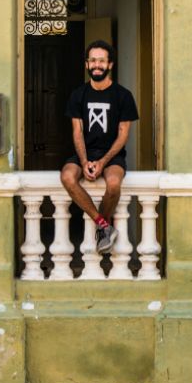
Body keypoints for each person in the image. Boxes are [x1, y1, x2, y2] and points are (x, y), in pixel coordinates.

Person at [59, 40, 139, 252]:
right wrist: (84, 162)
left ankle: (101, 229)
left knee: (113, 184)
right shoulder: (78, 95)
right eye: (93, 60)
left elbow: (123, 135)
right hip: (84, 152)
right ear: (87, 64)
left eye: (101, 61)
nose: (97, 65)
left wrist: (102, 162)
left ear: (110, 65)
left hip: (112, 155)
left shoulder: (123, 96)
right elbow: (77, 132)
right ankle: (103, 225)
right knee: (67, 176)